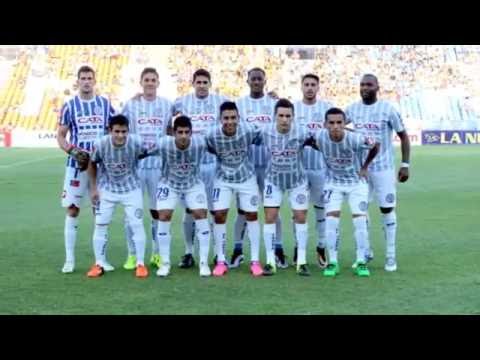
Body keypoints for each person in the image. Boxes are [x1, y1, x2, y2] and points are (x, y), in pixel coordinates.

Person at [345, 74, 410, 272]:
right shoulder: (352, 109)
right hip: (361, 171)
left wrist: (405, 164)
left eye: (369, 84)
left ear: (377, 87)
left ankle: (390, 256)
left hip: (383, 170)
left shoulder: (388, 109)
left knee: (386, 210)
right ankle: (365, 251)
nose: (365, 88)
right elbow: (335, 125)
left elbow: (404, 137)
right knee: (360, 210)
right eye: (362, 84)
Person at [57, 65, 115, 274]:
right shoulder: (70, 106)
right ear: (78, 81)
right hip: (76, 166)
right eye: (83, 78)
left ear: (95, 80)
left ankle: (101, 260)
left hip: (100, 167)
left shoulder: (105, 104)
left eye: (90, 78)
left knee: (99, 211)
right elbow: (61, 135)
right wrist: (72, 151)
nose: (87, 81)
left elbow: (114, 131)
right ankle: (69, 260)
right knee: (72, 209)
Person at [86, 114, 157, 278]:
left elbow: (145, 152)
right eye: (116, 131)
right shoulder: (101, 144)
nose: (120, 135)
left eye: (124, 131)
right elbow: (92, 162)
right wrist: (94, 188)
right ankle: (99, 263)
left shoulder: (136, 142)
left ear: (128, 131)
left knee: (136, 224)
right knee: (100, 224)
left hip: (131, 189)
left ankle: (140, 264)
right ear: (109, 130)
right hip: (107, 189)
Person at [312, 107, 380, 277]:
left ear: (344, 124)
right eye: (332, 123)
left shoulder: (355, 139)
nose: (335, 126)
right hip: (333, 184)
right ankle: (333, 262)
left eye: (339, 123)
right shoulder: (319, 136)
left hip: (356, 184)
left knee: (360, 222)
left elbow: (376, 145)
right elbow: (308, 141)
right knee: (331, 223)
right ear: (325, 124)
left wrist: (364, 167)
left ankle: (361, 261)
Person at [173, 69, 228, 269]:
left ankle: (217, 254)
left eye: (205, 82)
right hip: (190, 164)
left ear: (210, 83)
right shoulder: (181, 102)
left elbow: (237, 113)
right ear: (193, 82)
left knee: (215, 210)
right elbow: (166, 116)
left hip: (214, 163)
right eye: (199, 82)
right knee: (189, 210)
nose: (202, 85)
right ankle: (189, 252)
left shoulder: (221, 100)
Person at [232, 68, 288, 268]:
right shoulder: (239, 105)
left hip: (271, 165)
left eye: (259, 78)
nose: (256, 81)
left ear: (265, 80)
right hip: (245, 166)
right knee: (242, 211)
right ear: (247, 80)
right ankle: (238, 250)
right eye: (253, 78)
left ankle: (278, 249)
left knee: (273, 210)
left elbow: (284, 123)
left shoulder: (273, 104)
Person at [121, 67, 173, 271]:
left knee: (157, 212)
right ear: (141, 82)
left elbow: (177, 123)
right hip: (135, 166)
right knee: (131, 212)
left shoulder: (168, 105)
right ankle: (132, 255)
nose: (150, 83)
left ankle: (157, 253)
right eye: (147, 80)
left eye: (153, 80)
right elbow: (118, 126)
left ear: (158, 83)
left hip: (158, 166)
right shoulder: (131, 105)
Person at [257, 99, 316, 276]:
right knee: (270, 216)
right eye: (281, 116)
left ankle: (302, 261)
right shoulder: (264, 132)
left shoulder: (303, 132)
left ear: (293, 117)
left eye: (288, 116)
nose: (284, 119)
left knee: (300, 217)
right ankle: (269, 261)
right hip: (273, 181)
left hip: (297, 181)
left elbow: (321, 140)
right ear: (274, 117)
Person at [205, 101, 263, 277]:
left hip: (246, 178)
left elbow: (265, 136)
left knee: (251, 215)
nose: (229, 122)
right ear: (220, 119)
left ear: (238, 118)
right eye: (226, 118)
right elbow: (208, 148)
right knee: (219, 215)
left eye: (233, 118)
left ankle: (255, 261)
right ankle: (221, 261)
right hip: (222, 179)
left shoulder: (248, 130)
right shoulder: (211, 135)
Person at [155, 116, 212, 277]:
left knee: (200, 214)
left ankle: (203, 263)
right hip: (169, 183)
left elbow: (217, 148)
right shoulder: (163, 144)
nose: (183, 136)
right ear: (173, 133)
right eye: (180, 132)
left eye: (187, 132)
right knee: (164, 215)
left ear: (191, 133)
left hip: (193, 183)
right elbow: (143, 153)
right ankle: (165, 264)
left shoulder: (200, 143)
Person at [293, 73, 333, 268]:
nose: (309, 87)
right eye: (306, 84)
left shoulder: (327, 108)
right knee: (298, 211)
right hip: (298, 169)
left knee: (320, 210)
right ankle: (298, 247)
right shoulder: (294, 109)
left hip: (320, 168)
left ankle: (320, 246)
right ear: (301, 87)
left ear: (318, 87)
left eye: (313, 85)